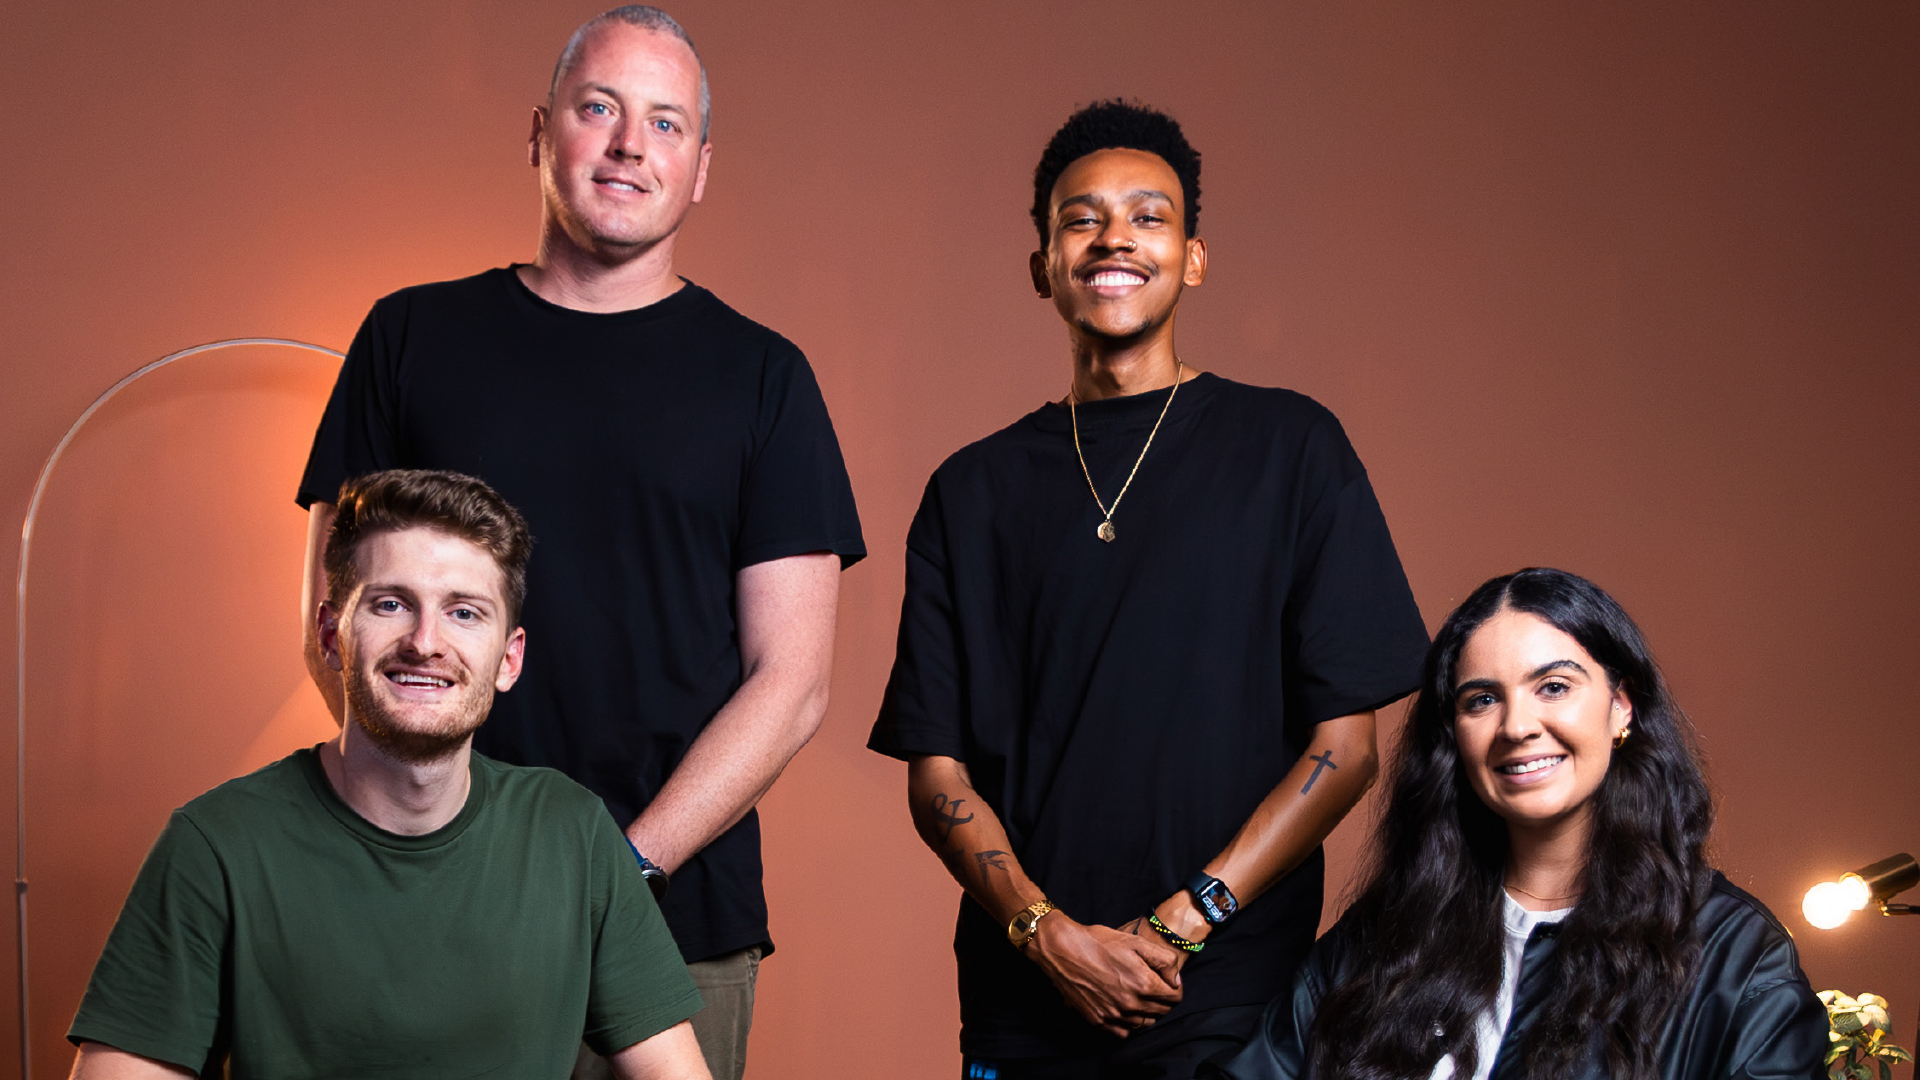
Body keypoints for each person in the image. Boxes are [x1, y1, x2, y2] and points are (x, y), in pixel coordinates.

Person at [294, 8, 863, 1078]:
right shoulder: (409, 338)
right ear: (541, 131)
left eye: (665, 122)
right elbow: (333, 626)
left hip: (670, 921)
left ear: (699, 169)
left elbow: (791, 683)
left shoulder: (765, 380)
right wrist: (440, 848)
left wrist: (618, 869)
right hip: (426, 903)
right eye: (599, 108)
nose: (628, 145)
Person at [867, 100, 1431, 1079]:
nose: (1114, 236)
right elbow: (938, 776)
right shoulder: (971, 490)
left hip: (1229, 995)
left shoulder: (1291, 450)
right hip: (1022, 1002)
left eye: (1148, 215)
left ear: (1194, 258)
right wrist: (1047, 935)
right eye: (1081, 218)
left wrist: (1186, 922)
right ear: (1042, 265)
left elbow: (1345, 752)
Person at [67, 470, 710, 1079]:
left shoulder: (571, 831)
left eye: (464, 612)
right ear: (331, 633)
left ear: (509, 658)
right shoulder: (216, 845)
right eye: (392, 604)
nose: (425, 641)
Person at [1202, 567, 1828, 1080]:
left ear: (1621, 707)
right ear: (1454, 733)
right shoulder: (1388, 931)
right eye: (1482, 699)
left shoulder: (1738, 959)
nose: (1517, 726)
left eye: (1553, 687)